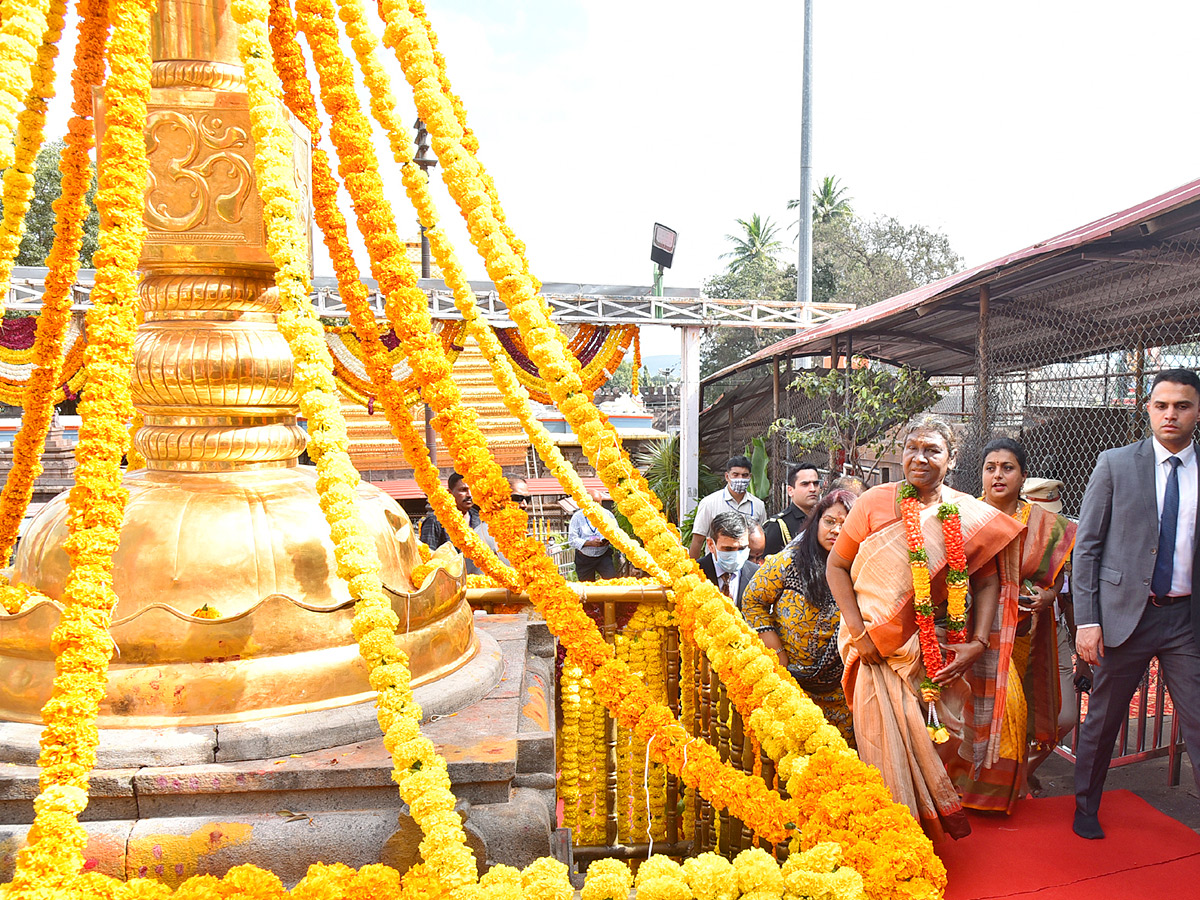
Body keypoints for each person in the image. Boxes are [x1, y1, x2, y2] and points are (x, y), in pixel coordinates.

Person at [826, 415, 1024, 840]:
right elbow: (837, 566)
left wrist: (976, 642)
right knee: (883, 745)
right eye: (912, 447)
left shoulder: (966, 512)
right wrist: (861, 635)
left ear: (950, 461)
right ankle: (890, 838)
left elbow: (987, 581)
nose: (920, 457)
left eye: (932, 450)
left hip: (939, 649)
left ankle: (927, 832)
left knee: (937, 739)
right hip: (876, 644)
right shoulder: (874, 502)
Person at [1072, 368, 1200, 840]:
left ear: (1198, 412)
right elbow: (1085, 548)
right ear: (1146, 408)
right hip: (1125, 616)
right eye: (1162, 405)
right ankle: (1085, 806)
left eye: (1182, 405)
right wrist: (1087, 621)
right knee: (1103, 719)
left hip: (1186, 619)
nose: (1171, 414)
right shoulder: (1115, 464)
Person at [952, 439, 1077, 812]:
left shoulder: (1045, 524)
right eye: (990, 467)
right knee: (1001, 710)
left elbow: (1054, 581)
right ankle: (982, 795)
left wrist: (1049, 597)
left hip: (1028, 633)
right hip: (979, 632)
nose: (998, 475)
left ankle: (1000, 785)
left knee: (1043, 716)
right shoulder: (964, 516)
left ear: (1022, 476)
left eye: (1007, 468)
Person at [742, 489, 858, 743]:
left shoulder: (863, 571)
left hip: (840, 692)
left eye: (845, 524)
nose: (836, 531)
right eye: (829, 522)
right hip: (789, 685)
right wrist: (777, 653)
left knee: (839, 765)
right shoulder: (790, 562)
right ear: (817, 523)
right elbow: (753, 600)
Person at [689, 456, 766, 559]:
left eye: (744, 475)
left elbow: (761, 539)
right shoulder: (709, 503)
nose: (740, 479)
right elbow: (698, 540)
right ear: (727, 476)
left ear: (750, 477)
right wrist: (692, 571)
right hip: (716, 563)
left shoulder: (758, 505)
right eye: (735, 475)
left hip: (747, 566)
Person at [698, 511, 759, 608]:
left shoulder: (757, 575)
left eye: (742, 548)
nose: (736, 555)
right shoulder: (695, 574)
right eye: (728, 549)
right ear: (711, 545)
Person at [763, 465, 822, 556]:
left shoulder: (823, 518)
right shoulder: (778, 526)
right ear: (790, 490)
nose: (812, 489)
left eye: (815, 484)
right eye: (805, 484)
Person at [475, 477, 533, 568]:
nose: (524, 505)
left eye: (528, 499)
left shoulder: (520, 533)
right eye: (517, 498)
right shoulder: (483, 536)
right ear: (501, 499)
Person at [420, 470, 481, 551]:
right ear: (450, 493)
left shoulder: (480, 519)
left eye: (472, 490)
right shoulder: (436, 521)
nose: (469, 495)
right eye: (463, 490)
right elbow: (427, 555)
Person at [568, 487, 618, 581]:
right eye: (594, 503)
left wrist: (609, 540)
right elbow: (572, 540)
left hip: (603, 555)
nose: (597, 506)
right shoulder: (577, 517)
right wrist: (589, 543)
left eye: (599, 503)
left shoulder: (608, 514)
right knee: (587, 588)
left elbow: (616, 533)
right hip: (584, 558)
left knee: (613, 582)